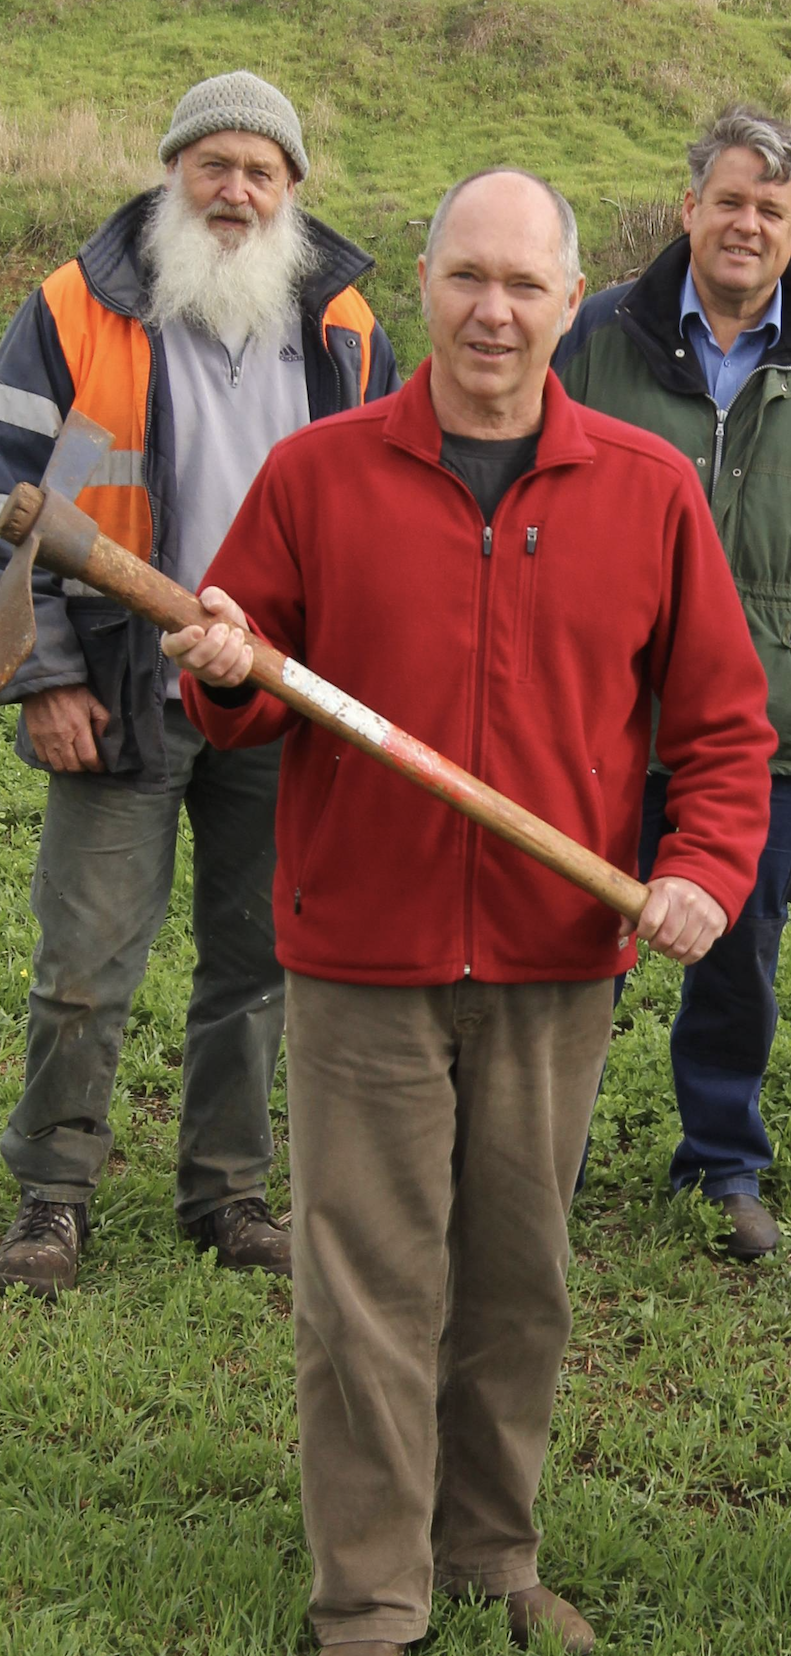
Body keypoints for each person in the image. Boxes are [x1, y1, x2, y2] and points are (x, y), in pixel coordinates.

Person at [164, 169, 774, 1654]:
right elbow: (238, 692)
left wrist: (699, 867)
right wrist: (225, 667)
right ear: (421, 287)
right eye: (465, 278)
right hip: (361, 954)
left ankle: (493, 1552)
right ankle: (371, 1598)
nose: (492, 311)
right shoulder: (317, 477)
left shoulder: (647, 490)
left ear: (575, 305)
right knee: (366, 1289)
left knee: (517, 1283)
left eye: (524, 285)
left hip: (554, 961)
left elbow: (723, 729)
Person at [0, 71, 398, 1296]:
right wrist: (45, 679)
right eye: (214, 163)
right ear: (172, 168)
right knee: (86, 962)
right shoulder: (72, 308)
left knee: (258, 961)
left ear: (290, 190)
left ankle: (226, 1193)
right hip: (120, 688)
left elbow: (387, 518)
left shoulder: (343, 326)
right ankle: (52, 1200)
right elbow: (3, 501)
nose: (236, 189)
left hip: (279, 695)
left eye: (261, 170)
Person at [555, 105, 791, 1258]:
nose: (745, 224)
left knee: (734, 965)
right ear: (688, 209)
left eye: (770, 210)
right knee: (570, 955)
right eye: (727, 200)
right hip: (597, 729)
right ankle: (534, 1162)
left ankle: (723, 1166)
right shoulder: (594, 336)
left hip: (763, 737)